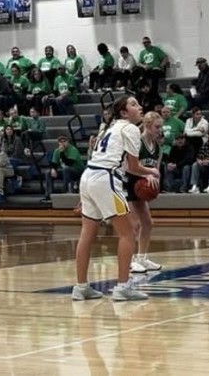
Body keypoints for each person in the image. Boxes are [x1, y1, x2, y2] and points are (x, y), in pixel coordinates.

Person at [70, 96, 154, 302]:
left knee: (87, 234)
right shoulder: (130, 129)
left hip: (89, 176)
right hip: (105, 178)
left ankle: (81, 287)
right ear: (124, 113)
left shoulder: (110, 128)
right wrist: (152, 172)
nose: (140, 106)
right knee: (128, 233)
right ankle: (123, 287)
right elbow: (133, 167)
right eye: (134, 104)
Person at [125, 112, 164, 273]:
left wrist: (155, 186)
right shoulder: (137, 143)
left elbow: (156, 170)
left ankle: (142, 257)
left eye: (161, 127)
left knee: (148, 223)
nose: (160, 130)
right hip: (127, 184)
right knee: (133, 225)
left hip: (140, 186)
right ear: (147, 126)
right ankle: (130, 260)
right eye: (157, 127)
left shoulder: (157, 147)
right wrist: (146, 174)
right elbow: (128, 167)